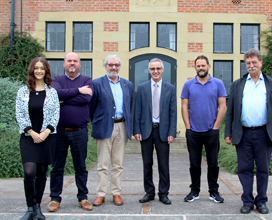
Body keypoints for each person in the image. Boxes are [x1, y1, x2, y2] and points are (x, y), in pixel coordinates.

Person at [225, 48, 272, 214]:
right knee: (244, 169)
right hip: (243, 134)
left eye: (254, 62)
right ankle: (247, 201)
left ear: (261, 63)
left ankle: (262, 201)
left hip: (264, 133)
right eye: (248, 63)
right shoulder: (237, 85)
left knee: (263, 169)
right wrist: (227, 132)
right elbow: (231, 111)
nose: (251, 66)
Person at [48, 52, 93, 212]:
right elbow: (55, 95)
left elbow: (86, 99)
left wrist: (64, 99)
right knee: (57, 167)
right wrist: (79, 91)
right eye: (69, 61)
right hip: (59, 132)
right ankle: (55, 198)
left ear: (79, 64)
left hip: (80, 132)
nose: (72, 63)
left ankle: (83, 197)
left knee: (80, 167)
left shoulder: (87, 80)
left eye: (75, 61)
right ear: (64, 63)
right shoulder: (57, 80)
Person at [15, 57, 60, 220]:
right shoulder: (23, 91)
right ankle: (29, 208)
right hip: (28, 137)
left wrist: (45, 133)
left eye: (42, 68)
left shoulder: (52, 92)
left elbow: (55, 115)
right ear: (32, 70)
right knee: (29, 172)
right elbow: (19, 114)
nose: (39, 71)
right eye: (36, 68)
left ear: (46, 71)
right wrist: (32, 133)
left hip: (47, 137)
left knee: (41, 173)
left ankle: (37, 208)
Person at [181, 55, 227, 204]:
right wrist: (188, 127)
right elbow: (184, 106)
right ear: (194, 67)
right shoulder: (188, 85)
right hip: (193, 131)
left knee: (213, 164)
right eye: (198, 66)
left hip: (211, 131)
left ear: (208, 66)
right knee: (194, 164)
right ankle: (194, 191)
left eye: (203, 65)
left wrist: (216, 127)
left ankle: (214, 191)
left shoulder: (218, 84)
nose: (201, 68)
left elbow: (223, 106)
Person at [90, 54, 133, 206]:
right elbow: (91, 107)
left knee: (118, 163)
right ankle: (101, 194)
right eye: (110, 64)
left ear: (120, 67)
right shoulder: (96, 83)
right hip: (103, 126)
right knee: (102, 163)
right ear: (105, 66)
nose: (113, 67)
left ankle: (116, 192)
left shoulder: (128, 84)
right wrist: (96, 122)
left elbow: (130, 107)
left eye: (116, 65)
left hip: (122, 127)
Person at [134, 58, 177, 205]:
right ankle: (149, 192)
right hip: (146, 131)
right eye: (152, 68)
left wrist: (172, 132)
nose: (155, 71)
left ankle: (163, 193)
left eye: (158, 68)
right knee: (147, 164)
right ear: (149, 70)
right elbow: (137, 110)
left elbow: (173, 112)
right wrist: (136, 130)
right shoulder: (142, 88)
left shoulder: (170, 88)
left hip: (163, 131)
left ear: (162, 70)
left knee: (163, 164)